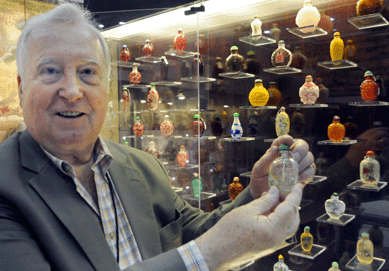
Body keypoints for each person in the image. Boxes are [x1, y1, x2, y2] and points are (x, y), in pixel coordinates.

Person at [0, 3, 315, 271]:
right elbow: (203, 248)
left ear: (105, 86)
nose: (72, 91)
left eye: (88, 72)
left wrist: (259, 193)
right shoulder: (5, 185)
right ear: (21, 85)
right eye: (51, 71)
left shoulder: (140, 165)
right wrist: (211, 253)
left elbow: (195, 232)